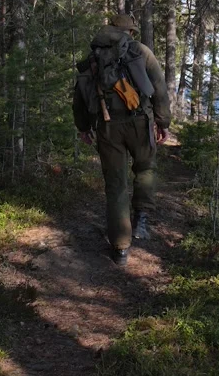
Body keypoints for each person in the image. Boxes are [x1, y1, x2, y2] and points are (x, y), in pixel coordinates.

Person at [72, 14, 171, 266]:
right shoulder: (140, 51)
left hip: (107, 127)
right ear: (129, 32)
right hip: (140, 122)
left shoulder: (93, 58)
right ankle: (142, 219)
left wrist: (84, 127)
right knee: (145, 169)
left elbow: (80, 98)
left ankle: (120, 248)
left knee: (115, 185)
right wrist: (163, 122)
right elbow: (159, 88)